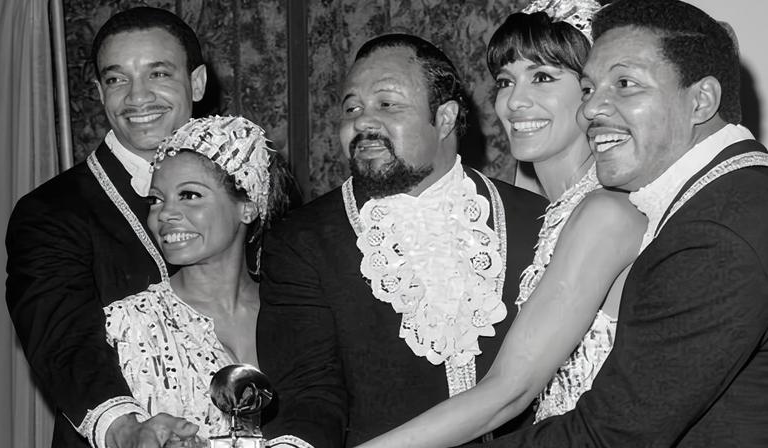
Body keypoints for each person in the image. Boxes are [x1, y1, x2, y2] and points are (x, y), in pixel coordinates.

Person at [356, 1, 647, 446]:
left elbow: (509, 391)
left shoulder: (606, 214)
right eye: (506, 81)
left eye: (542, 77)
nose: (514, 101)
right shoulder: (541, 207)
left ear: (591, 92)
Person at [477, 0, 768, 446]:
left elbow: (609, 435)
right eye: (589, 88)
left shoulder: (715, 233)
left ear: (701, 101)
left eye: (626, 84)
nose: (591, 109)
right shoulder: (727, 195)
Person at [256, 33, 549, 448]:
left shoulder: (536, 221)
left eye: (387, 104)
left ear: (444, 119)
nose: (362, 122)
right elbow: (308, 395)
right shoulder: (301, 241)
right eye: (352, 108)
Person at [6, 7, 208, 448]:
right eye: (117, 79)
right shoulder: (51, 211)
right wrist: (125, 430)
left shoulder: (245, 189)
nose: (138, 97)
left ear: (197, 83)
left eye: (158, 74)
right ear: (99, 92)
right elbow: (63, 341)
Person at [104, 115, 302, 447]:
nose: (165, 214)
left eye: (189, 195)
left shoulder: (299, 312)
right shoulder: (128, 325)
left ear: (248, 207)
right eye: (155, 200)